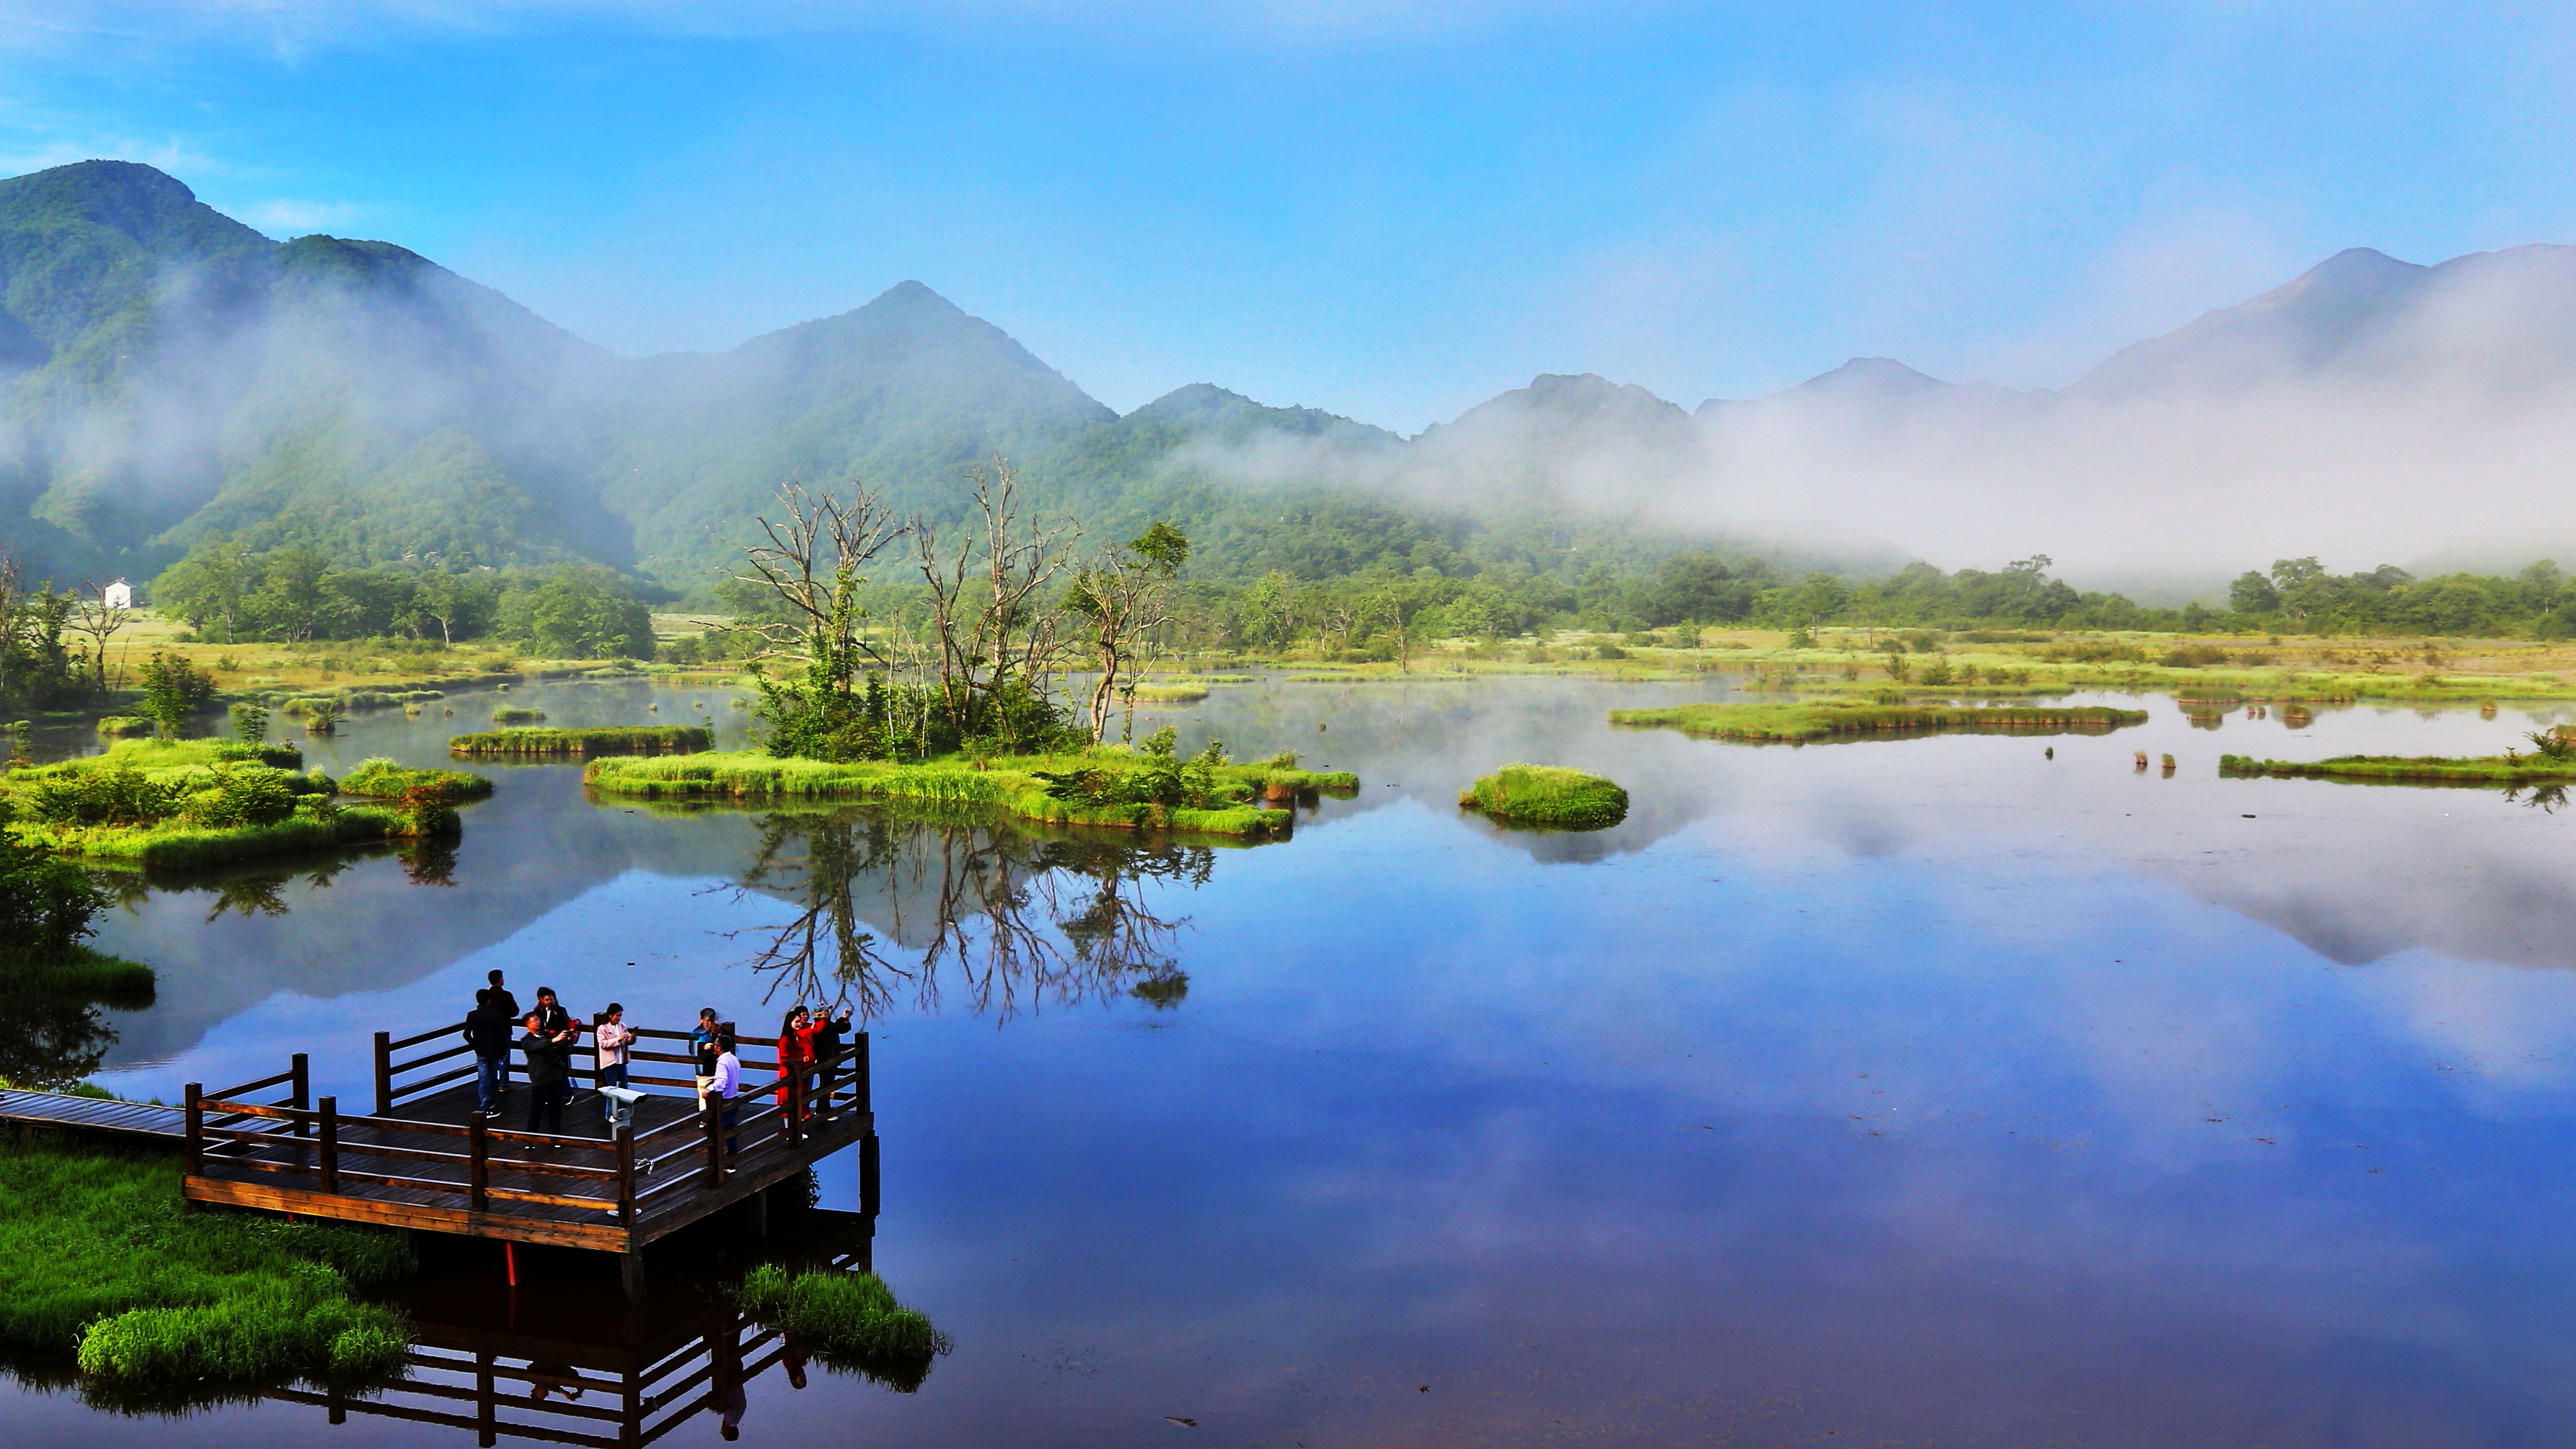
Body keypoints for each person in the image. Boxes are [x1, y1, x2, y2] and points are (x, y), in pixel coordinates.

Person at [522, 987, 577, 1143]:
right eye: (534, 1020)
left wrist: (568, 1037)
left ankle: (556, 1138)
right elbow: (537, 1045)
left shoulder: (557, 1015)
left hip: (555, 1076)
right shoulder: (527, 1040)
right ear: (528, 1025)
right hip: (540, 1079)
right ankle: (530, 1140)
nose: (537, 1021)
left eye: (552, 998)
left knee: (556, 1110)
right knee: (537, 1111)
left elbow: (562, 1038)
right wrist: (553, 1041)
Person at [464, 988, 512, 1117]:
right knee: (492, 1078)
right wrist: (503, 1051)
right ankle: (488, 1105)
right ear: (488, 1000)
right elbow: (502, 1035)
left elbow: (466, 1034)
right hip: (495, 1051)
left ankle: (485, 1105)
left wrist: (475, 1045)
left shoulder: (472, 1015)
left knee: (483, 1079)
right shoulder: (496, 1015)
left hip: (481, 1052)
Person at [774, 1005, 819, 1123]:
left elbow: (806, 1033)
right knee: (788, 1101)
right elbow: (783, 1060)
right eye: (797, 1022)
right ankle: (789, 1130)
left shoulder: (795, 1037)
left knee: (799, 1100)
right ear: (790, 1023)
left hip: (797, 1071)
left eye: (799, 1022)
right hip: (788, 1072)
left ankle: (798, 1127)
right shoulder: (785, 1040)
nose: (799, 1024)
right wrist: (800, 1059)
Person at [808, 1004, 852, 1117]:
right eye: (825, 1011)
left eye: (828, 1011)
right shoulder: (819, 1026)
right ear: (819, 1014)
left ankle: (821, 1109)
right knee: (826, 1085)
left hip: (832, 1058)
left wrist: (846, 1022)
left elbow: (841, 1029)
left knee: (827, 1084)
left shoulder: (829, 1024)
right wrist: (841, 1019)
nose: (827, 1013)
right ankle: (824, 1110)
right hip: (825, 1059)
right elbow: (830, 1029)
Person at [484, 969, 521, 1096]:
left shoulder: (486, 995)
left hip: (489, 1032)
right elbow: (515, 1012)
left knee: (491, 1058)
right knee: (504, 1058)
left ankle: (492, 1083)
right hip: (504, 1030)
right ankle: (504, 1084)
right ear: (499, 979)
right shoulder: (506, 995)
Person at [711, 1030, 744, 1160]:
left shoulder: (722, 1062)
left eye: (715, 1045)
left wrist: (709, 1089)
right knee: (731, 1134)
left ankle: (717, 1162)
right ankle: (731, 1162)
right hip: (734, 1100)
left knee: (717, 1134)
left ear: (719, 1047)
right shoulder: (734, 1059)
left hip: (724, 1101)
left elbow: (721, 1082)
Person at [594, 1003, 635, 1105]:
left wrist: (632, 1037)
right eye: (617, 1015)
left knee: (624, 1087)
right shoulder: (602, 1029)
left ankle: (623, 1109)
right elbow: (603, 1045)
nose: (619, 1018)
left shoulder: (622, 1026)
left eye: (621, 1015)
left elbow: (628, 1041)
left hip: (622, 1061)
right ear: (610, 1015)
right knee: (611, 1090)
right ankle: (610, 1113)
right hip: (610, 1063)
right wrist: (617, 1039)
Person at [690, 1008, 723, 1106]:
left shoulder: (716, 1032)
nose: (710, 1023)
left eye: (712, 1020)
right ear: (701, 1020)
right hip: (704, 1070)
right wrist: (708, 1049)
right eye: (707, 1020)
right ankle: (704, 1119)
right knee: (704, 1095)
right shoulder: (698, 1034)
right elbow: (694, 1052)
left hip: (716, 1069)